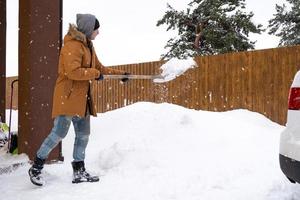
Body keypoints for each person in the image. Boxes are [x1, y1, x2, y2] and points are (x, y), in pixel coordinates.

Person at [28, 14, 129, 186]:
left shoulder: (88, 46)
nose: (98, 33)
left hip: (82, 99)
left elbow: (100, 68)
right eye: (96, 29)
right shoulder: (73, 46)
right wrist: (95, 75)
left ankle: (79, 170)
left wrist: (120, 74)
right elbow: (73, 71)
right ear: (89, 29)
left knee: (83, 135)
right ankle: (36, 167)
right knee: (58, 134)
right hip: (67, 98)